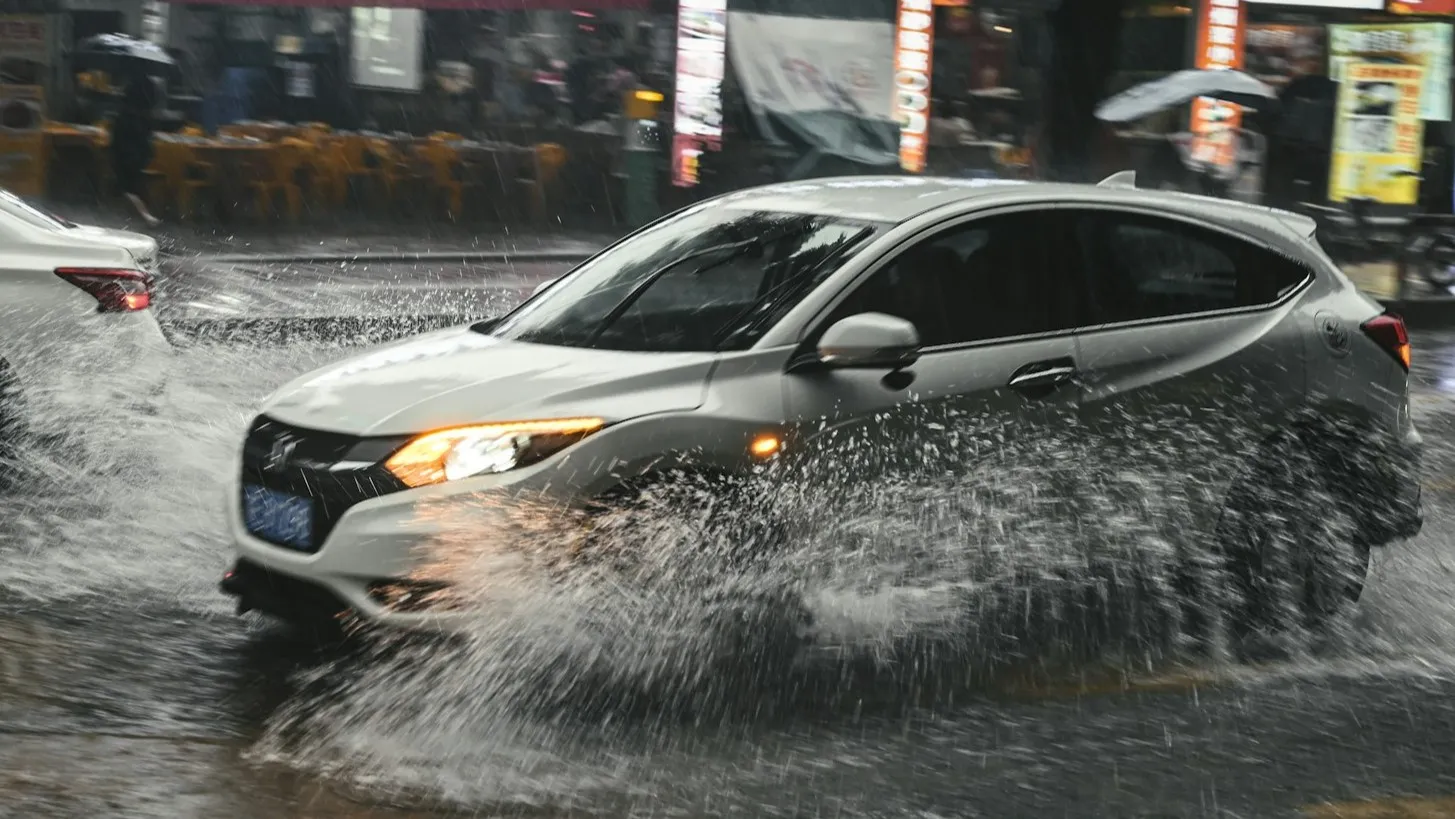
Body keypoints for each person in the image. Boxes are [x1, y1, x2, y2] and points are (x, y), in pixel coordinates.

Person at [111, 74, 160, 227]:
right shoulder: (145, 114)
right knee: (132, 186)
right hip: (140, 155)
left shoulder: (125, 114)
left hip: (125, 154)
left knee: (125, 187)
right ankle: (143, 214)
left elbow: (118, 136)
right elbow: (147, 135)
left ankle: (144, 215)